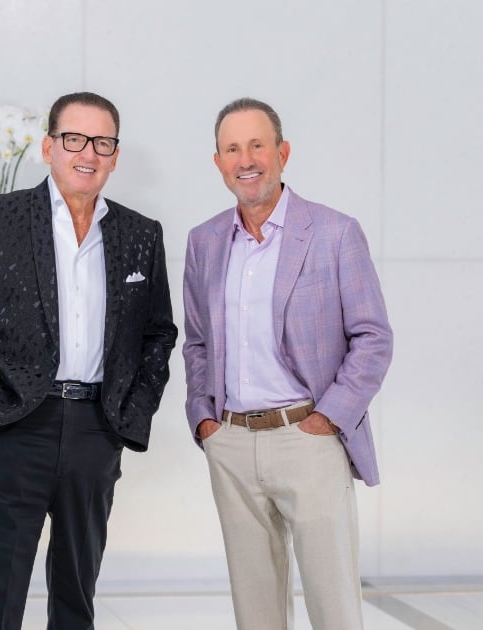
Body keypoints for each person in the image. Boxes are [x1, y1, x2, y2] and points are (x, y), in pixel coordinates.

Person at [0, 92, 177, 630]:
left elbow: (159, 333)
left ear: (115, 155)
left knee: (76, 595)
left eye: (102, 142)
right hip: (18, 425)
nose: (88, 152)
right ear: (49, 147)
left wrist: (131, 412)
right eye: (74, 139)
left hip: (96, 429)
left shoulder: (141, 234)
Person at [182, 97, 393, 630]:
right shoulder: (204, 241)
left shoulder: (334, 232)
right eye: (232, 149)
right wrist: (205, 420)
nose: (246, 159)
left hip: (308, 438)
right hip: (231, 443)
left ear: (283, 152)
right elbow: (198, 342)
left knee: (334, 606)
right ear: (218, 162)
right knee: (256, 613)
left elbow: (372, 338)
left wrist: (328, 419)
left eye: (257, 145)